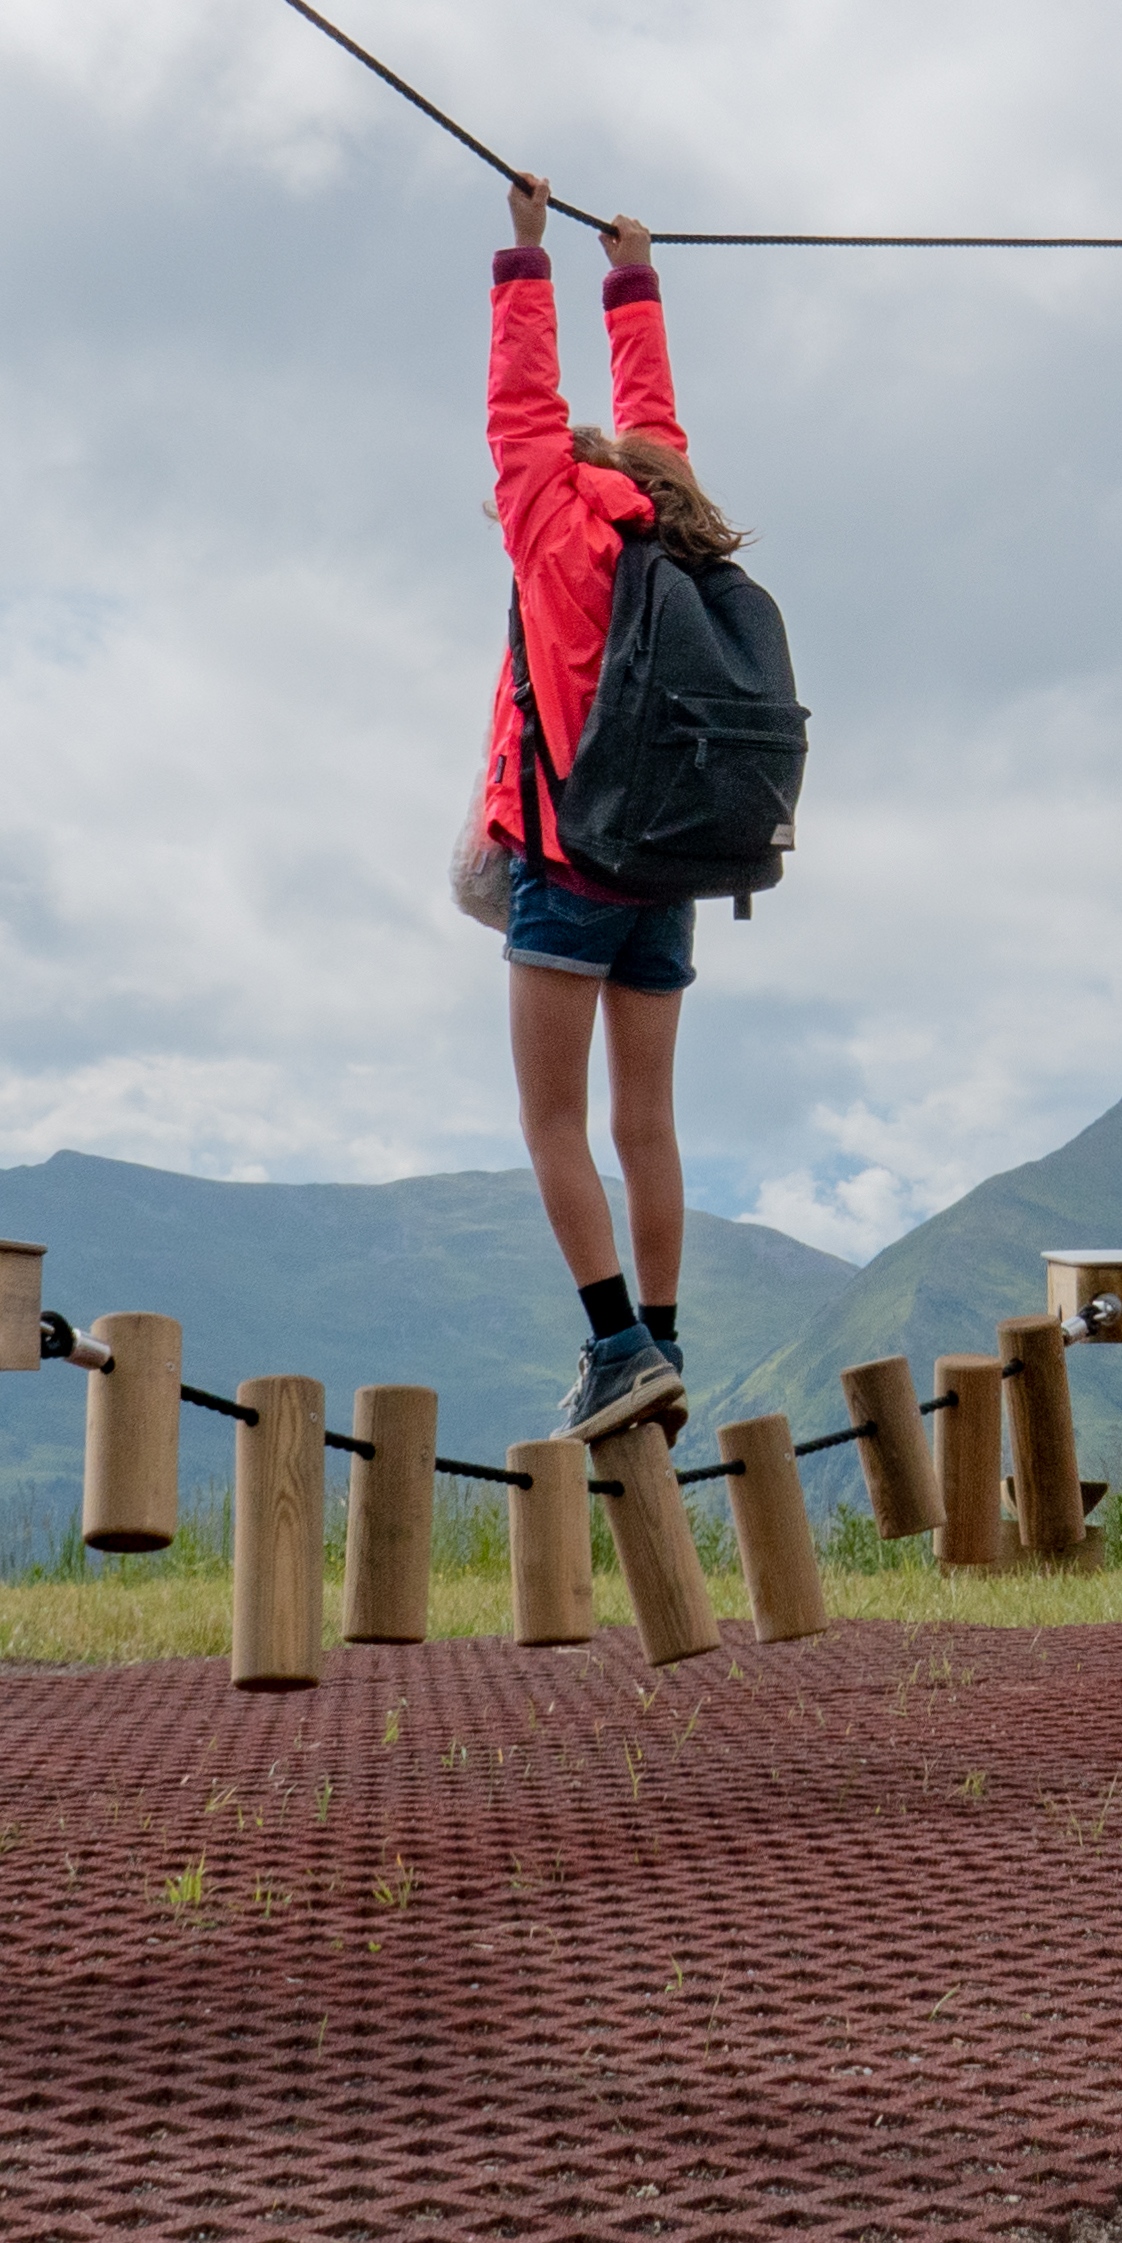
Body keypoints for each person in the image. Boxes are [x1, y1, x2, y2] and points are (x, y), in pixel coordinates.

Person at [478, 170, 747, 1446]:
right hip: (670, 869)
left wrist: (524, 257)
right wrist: (630, 281)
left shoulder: (550, 523)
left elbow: (519, 402)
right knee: (649, 1122)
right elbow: (652, 415)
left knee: (552, 1119)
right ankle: (666, 1339)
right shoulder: (667, 521)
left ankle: (616, 1346)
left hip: (571, 861)